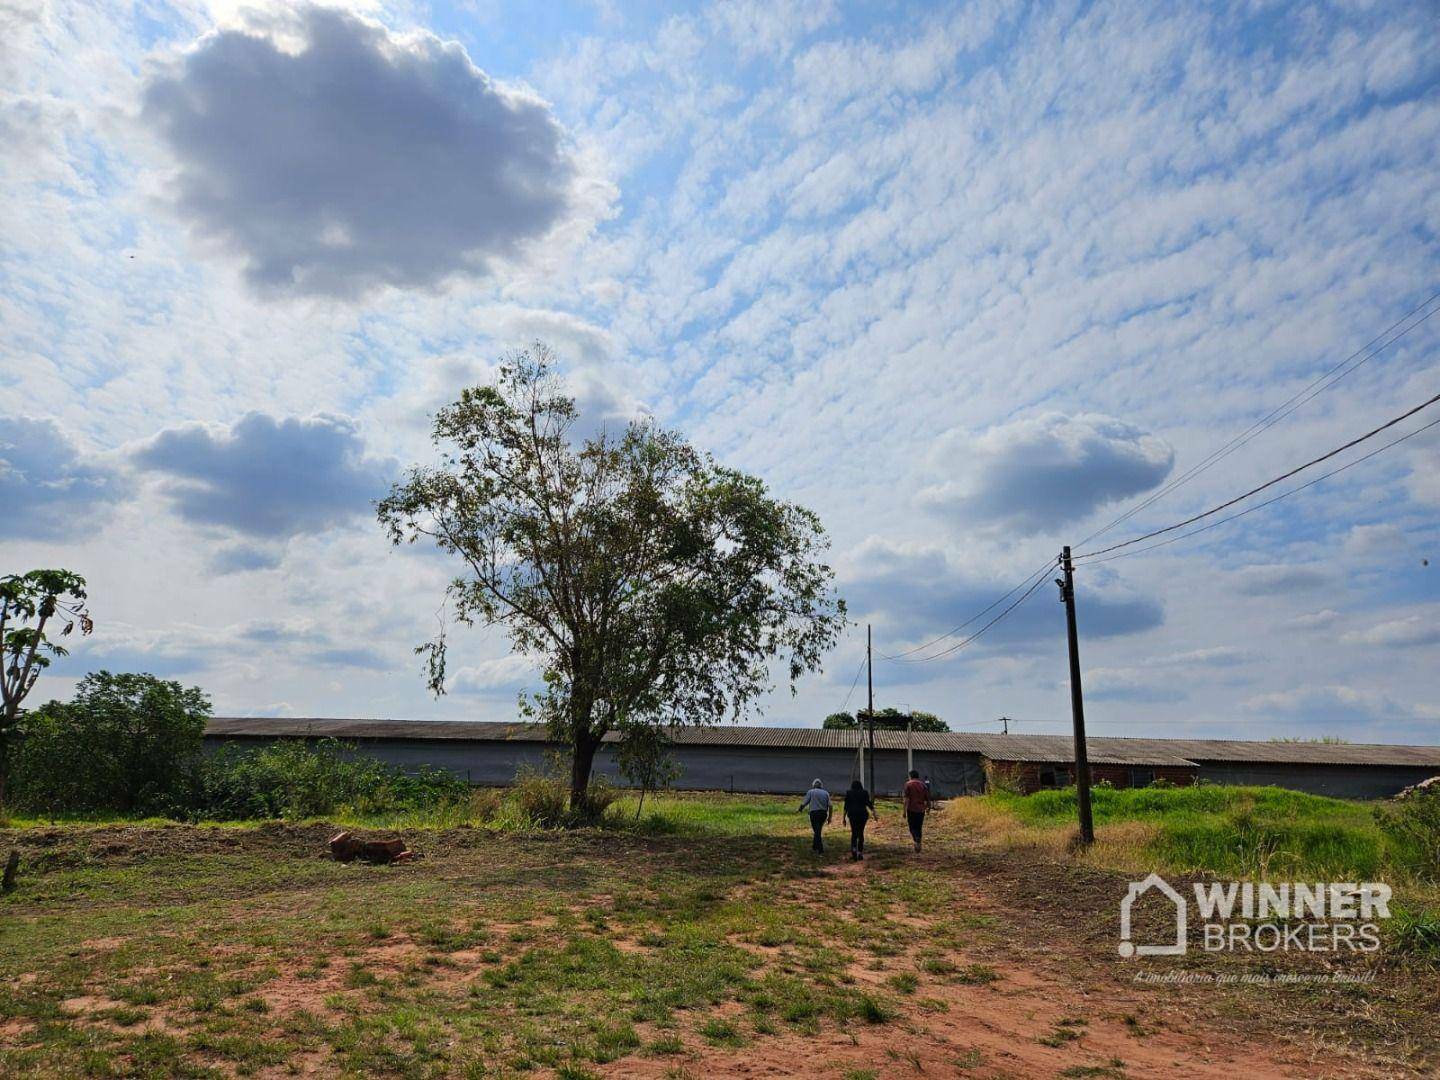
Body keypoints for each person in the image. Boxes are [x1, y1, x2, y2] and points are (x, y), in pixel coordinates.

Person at [842, 779, 877, 860]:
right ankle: (860, 853)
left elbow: (846, 806)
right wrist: (874, 814)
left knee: (854, 832)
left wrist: (843, 818)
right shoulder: (864, 792)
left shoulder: (849, 793)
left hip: (852, 815)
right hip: (862, 815)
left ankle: (854, 849)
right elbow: (869, 803)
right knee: (861, 832)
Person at [797, 779, 832, 853]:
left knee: (816, 830)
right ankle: (814, 846)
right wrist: (830, 817)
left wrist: (800, 809)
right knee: (818, 830)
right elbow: (830, 806)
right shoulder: (826, 793)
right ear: (821, 786)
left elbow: (805, 803)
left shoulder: (811, 792)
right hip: (823, 814)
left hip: (814, 814)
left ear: (813, 785)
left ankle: (820, 849)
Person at [902, 769, 930, 852]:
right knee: (919, 827)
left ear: (910, 776)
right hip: (921, 809)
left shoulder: (908, 784)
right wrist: (928, 807)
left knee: (912, 827)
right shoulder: (923, 785)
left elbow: (906, 799)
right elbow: (927, 798)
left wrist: (904, 811)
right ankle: (918, 844)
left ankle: (916, 839)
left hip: (911, 809)